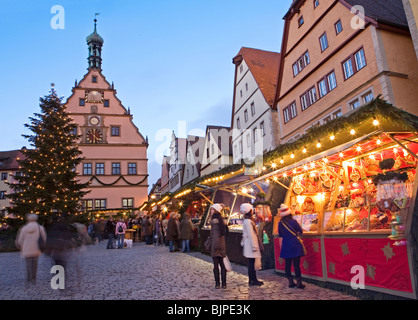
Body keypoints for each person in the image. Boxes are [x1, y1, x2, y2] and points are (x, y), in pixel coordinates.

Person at [278, 204, 306, 289]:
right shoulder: (293, 221)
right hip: (295, 244)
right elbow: (300, 231)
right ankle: (299, 283)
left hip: (286, 245)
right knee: (296, 264)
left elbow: (280, 234)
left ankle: (290, 282)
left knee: (287, 264)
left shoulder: (280, 223)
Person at [15, 213, 47, 286]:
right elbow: (44, 238)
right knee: (35, 264)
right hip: (36, 248)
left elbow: (20, 239)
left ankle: (29, 278)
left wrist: (20, 245)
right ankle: (33, 278)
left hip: (26, 249)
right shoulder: (40, 228)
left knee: (28, 264)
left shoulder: (24, 228)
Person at [240, 203, 264, 286]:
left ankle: (253, 279)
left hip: (249, 244)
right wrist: (254, 246)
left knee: (251, 262)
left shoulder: (247, 220)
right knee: (251, 263)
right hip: (251, 245)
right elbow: (251, 234)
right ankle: (252, 280)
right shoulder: (248, 221)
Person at [208, 204, 228, 289]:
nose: (211, 211)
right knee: (222, 264)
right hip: (222, 244)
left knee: (216, 264)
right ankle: (224, 283)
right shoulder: (222, 220)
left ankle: (217, 284)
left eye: (212, 210)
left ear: (216, 210)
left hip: (215, 245)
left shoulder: (214, 220)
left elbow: (213, 234)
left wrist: (213, 245)